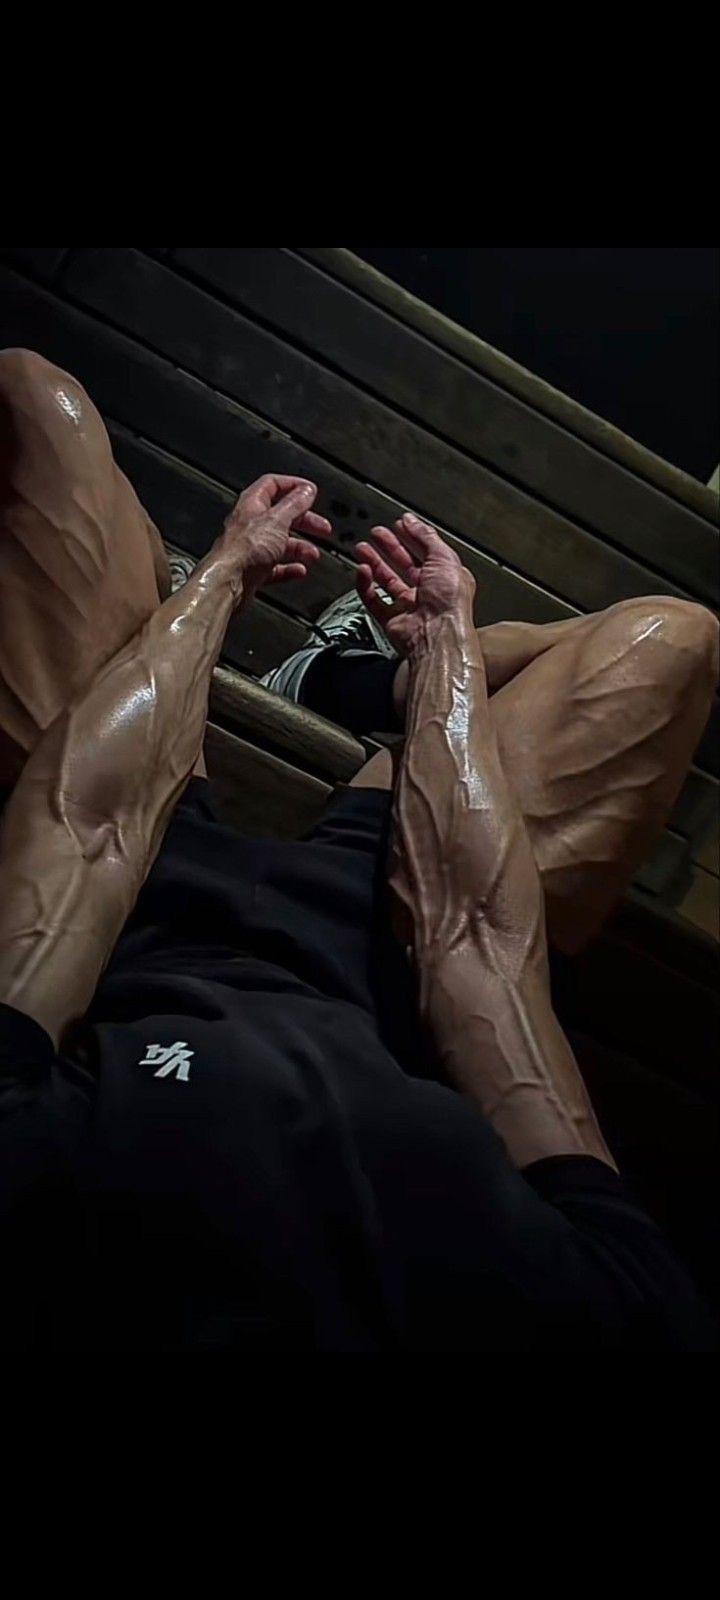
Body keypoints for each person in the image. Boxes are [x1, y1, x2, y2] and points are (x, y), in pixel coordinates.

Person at [0, 349, 716, 1352]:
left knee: (34, 402)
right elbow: (476, 951)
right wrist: (442, 647)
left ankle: (193, 615)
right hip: (399, 960)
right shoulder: (613, 1324)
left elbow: (92, 833)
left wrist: (224, 580)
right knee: (677, 639)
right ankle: (350, 679)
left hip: (123, 919)